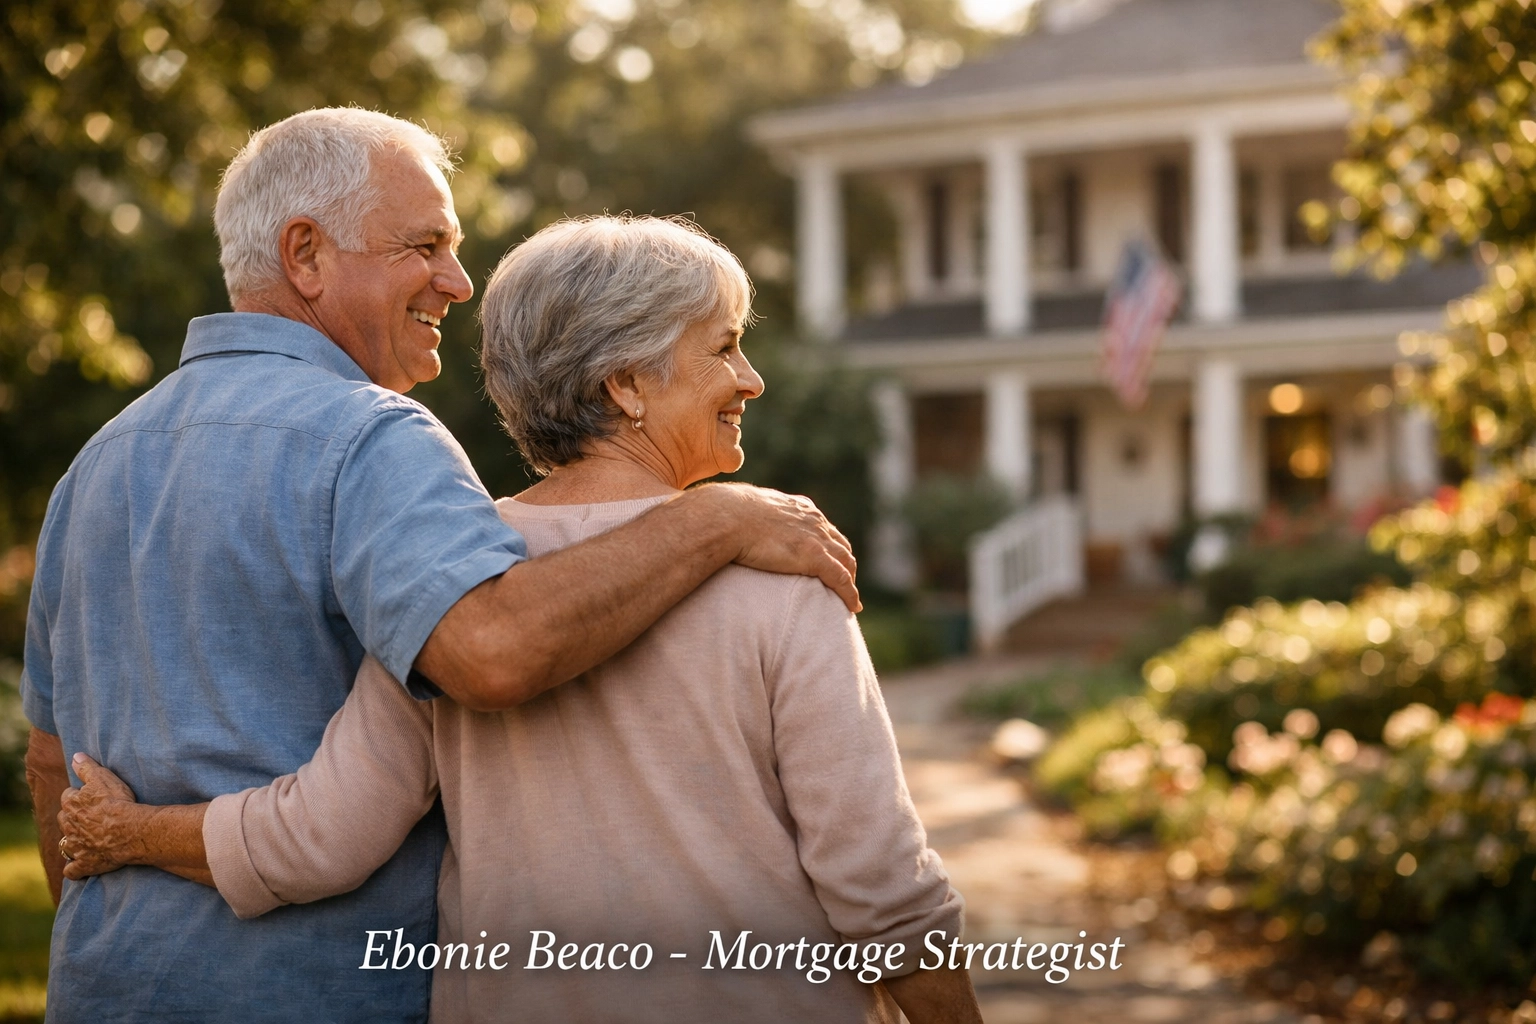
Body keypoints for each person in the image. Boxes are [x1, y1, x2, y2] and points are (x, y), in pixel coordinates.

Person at [22, 109, 859, 1024]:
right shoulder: (370, 437)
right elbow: (493, 652)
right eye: (424, 246)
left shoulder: (97, 463)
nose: (457, 283)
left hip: (103, 989)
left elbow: (50, 764)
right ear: (306, 254)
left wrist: (130, 911)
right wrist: (716, 517)